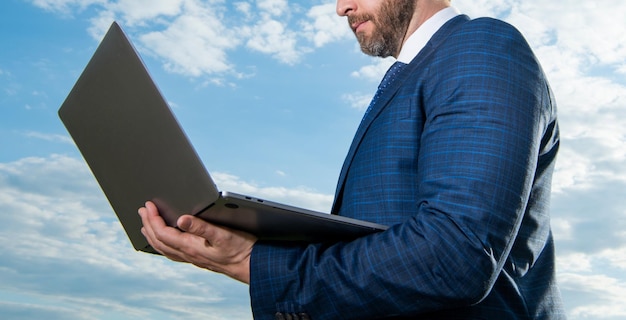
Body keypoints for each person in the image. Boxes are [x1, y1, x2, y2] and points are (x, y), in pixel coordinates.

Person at [138, 0, 566, 318]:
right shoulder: (416, 74)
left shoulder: (483, 47)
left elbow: (456, 253)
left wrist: (254, 261)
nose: (342, 7)